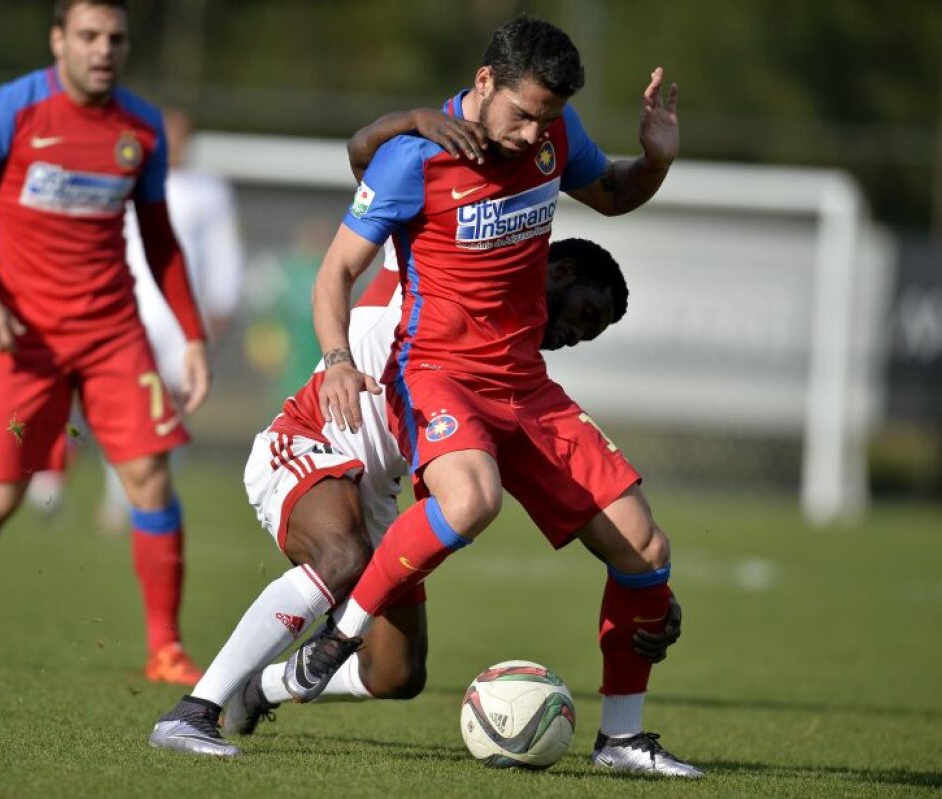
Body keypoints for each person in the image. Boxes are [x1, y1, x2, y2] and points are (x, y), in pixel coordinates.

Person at [288, 16, 698, 777]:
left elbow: (610, 192)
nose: (534, 132)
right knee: (473, 498)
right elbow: (335, 272)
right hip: (437, 371)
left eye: (548, 117)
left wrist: (655, 163)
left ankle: (622, 739)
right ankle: (341, 632)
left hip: (525, 383)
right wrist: (339, 358)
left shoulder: (554, 133)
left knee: (645, 547)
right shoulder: (417, 158)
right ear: (484, 83)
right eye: (523, 112)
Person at [0, 0, 210, 686]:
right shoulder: (11, 111)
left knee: (150, 478)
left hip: (114, 338)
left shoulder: (142, 127)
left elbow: (160, 240)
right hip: (26, 343)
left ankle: (165, 647)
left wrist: (191, 336)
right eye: (88, 36)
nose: (103, 49)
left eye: (116, 38)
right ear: (59, 41)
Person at [26, 107, 246, 531]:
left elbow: (223, 257)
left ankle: (133, 501)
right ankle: (83, 486)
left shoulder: (209, 191)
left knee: (164, 416)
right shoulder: (125, 181)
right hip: (124, 313)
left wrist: (218, 312)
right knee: (111, 404)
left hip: (182, 325)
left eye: (178, 136)